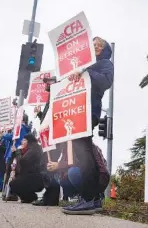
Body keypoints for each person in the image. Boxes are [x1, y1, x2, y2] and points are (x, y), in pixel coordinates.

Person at [48, 37, 114, 214]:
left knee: (84, 154)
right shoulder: (81, 66)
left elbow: (106, 81)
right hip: (75, 112)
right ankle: (93, 199)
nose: (96, 46)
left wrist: (84, 73)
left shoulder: (104, 64)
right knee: (83, 152)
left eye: (100, 45)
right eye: (93, 44)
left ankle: (89, 199)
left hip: (88, 112)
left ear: (105, 49)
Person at [32, 77, 62, 207]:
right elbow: (48, 118)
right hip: (49, 135)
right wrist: (40, 115)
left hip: (54, 135)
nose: (46, 83)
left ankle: (51, 197)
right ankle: (50, 196)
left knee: (47, 165)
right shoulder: (51, 97)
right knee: (46, 165)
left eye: (49, 81)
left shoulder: (57, 95)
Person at [2, 114, 32, 201]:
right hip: (17, 151)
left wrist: (4, 134)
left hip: (16, 152)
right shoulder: (23, 128)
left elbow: (12, 136)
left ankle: (11, 193)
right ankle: (12, 193)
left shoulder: (21, 127)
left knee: (12, 172)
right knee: (14, 172)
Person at [9, 133, 44, 203]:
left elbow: (23, 161)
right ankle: (28, 197)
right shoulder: (29, 149)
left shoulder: (34, 149)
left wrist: (18, 152)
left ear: (29, 141)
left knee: (14, 184)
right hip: (30, 176)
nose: (22, 142)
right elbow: (18, 163)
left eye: (24, 140)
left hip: (36, 178)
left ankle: (30, 197)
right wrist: (15, 153)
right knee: (15, 181)